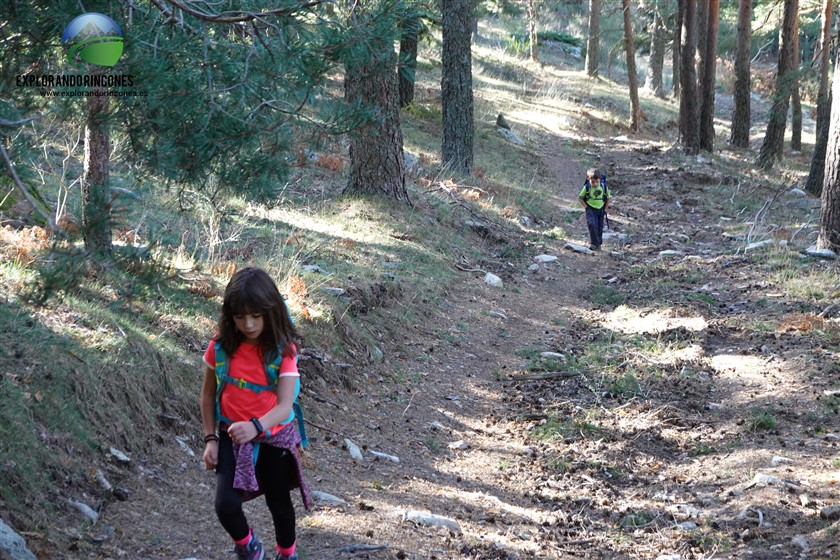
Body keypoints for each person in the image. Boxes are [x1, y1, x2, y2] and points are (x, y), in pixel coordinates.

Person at [200, 267, 311, 560]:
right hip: (230, 435)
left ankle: (287, 554)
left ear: (270, 310)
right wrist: (211, 439)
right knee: (225, 504)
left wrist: (255, 426)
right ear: (230, 315)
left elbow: (285, 406)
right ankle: (249, 546)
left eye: (255, 315)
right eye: (239, 316)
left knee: (279, 502)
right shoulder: (221, 346)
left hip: (273, 436)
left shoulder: (282, 350)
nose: (248, 324)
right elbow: (208, 394)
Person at [579, 168, 611, 251]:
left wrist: (606, 209)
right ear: (588, 180)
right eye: (592, 182)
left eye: (597, 182)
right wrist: (586, 207)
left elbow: (609, 198)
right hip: (590, 208)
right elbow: (580, 198)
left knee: (599, 227)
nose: (595, 184)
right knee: (592, 224)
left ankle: (598, 244)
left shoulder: (603, 186)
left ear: (600, 179)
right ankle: (594, 244)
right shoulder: (587, 187)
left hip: (601, 209)